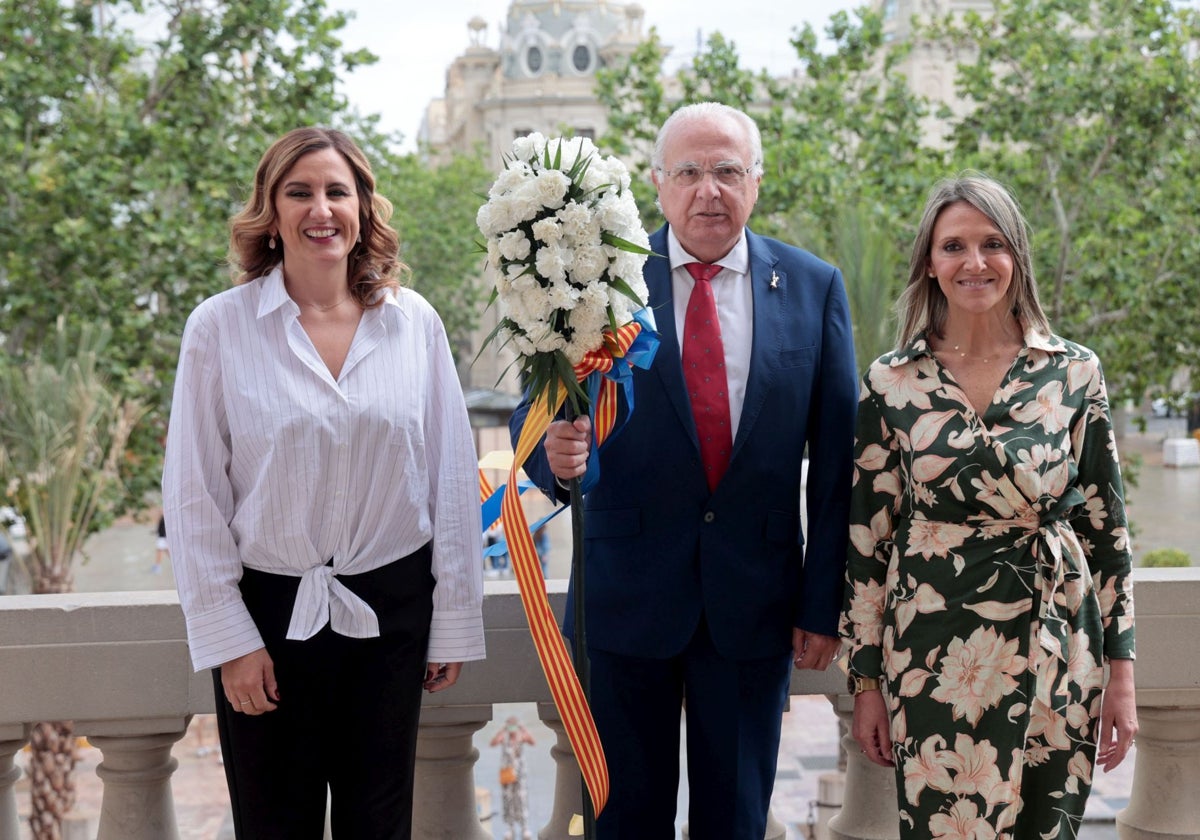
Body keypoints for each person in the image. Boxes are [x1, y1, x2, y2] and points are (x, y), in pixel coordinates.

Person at [512, 102, 860, 838]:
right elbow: (534, 409)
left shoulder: (811, 286)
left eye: (728, 171)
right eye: (691, 172)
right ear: (657, 184)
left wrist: (822, 604)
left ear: (756, 182)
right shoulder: (598, 282)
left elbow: (837, 468)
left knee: (735, 822)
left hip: (756, 607)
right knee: (624, 823)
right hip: (625, 601)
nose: (710, 190)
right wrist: (550, 452)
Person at [162, 126, 485, 839]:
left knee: (381, 824)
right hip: (269, 621)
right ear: (271, 213)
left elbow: (452, 481)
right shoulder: (218, 329)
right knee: (277, 824)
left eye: (338, 191)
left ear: (364, 209)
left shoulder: (414, 325)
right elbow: (193, 498)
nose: (322, 208)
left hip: (393, 615)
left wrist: (454, 620)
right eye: (299, 192)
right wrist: (229, 641)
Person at [840, 174, 1137, 839]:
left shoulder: (1074, 372)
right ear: (929, 262)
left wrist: (1122, 677)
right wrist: (864, 685)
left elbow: (1108, 534)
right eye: (954, 246)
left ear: (1017, 256)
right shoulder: (892, 381)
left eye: (993, 244)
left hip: (1058, 647)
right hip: (931, 660)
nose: (974, 263)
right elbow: (867, 545)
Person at [490, 715, 537, 840]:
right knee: (508, 800)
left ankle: (525, 827)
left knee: (522, 799)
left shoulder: (521, 736)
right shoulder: (504, 737)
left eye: (513, 725)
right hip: (507, 774)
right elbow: (492, 743)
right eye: (510, 725)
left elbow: (533, 742)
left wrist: (523, 728)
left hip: (520, 775)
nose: (512, 728)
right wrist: (502, 729)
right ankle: (509, 828)